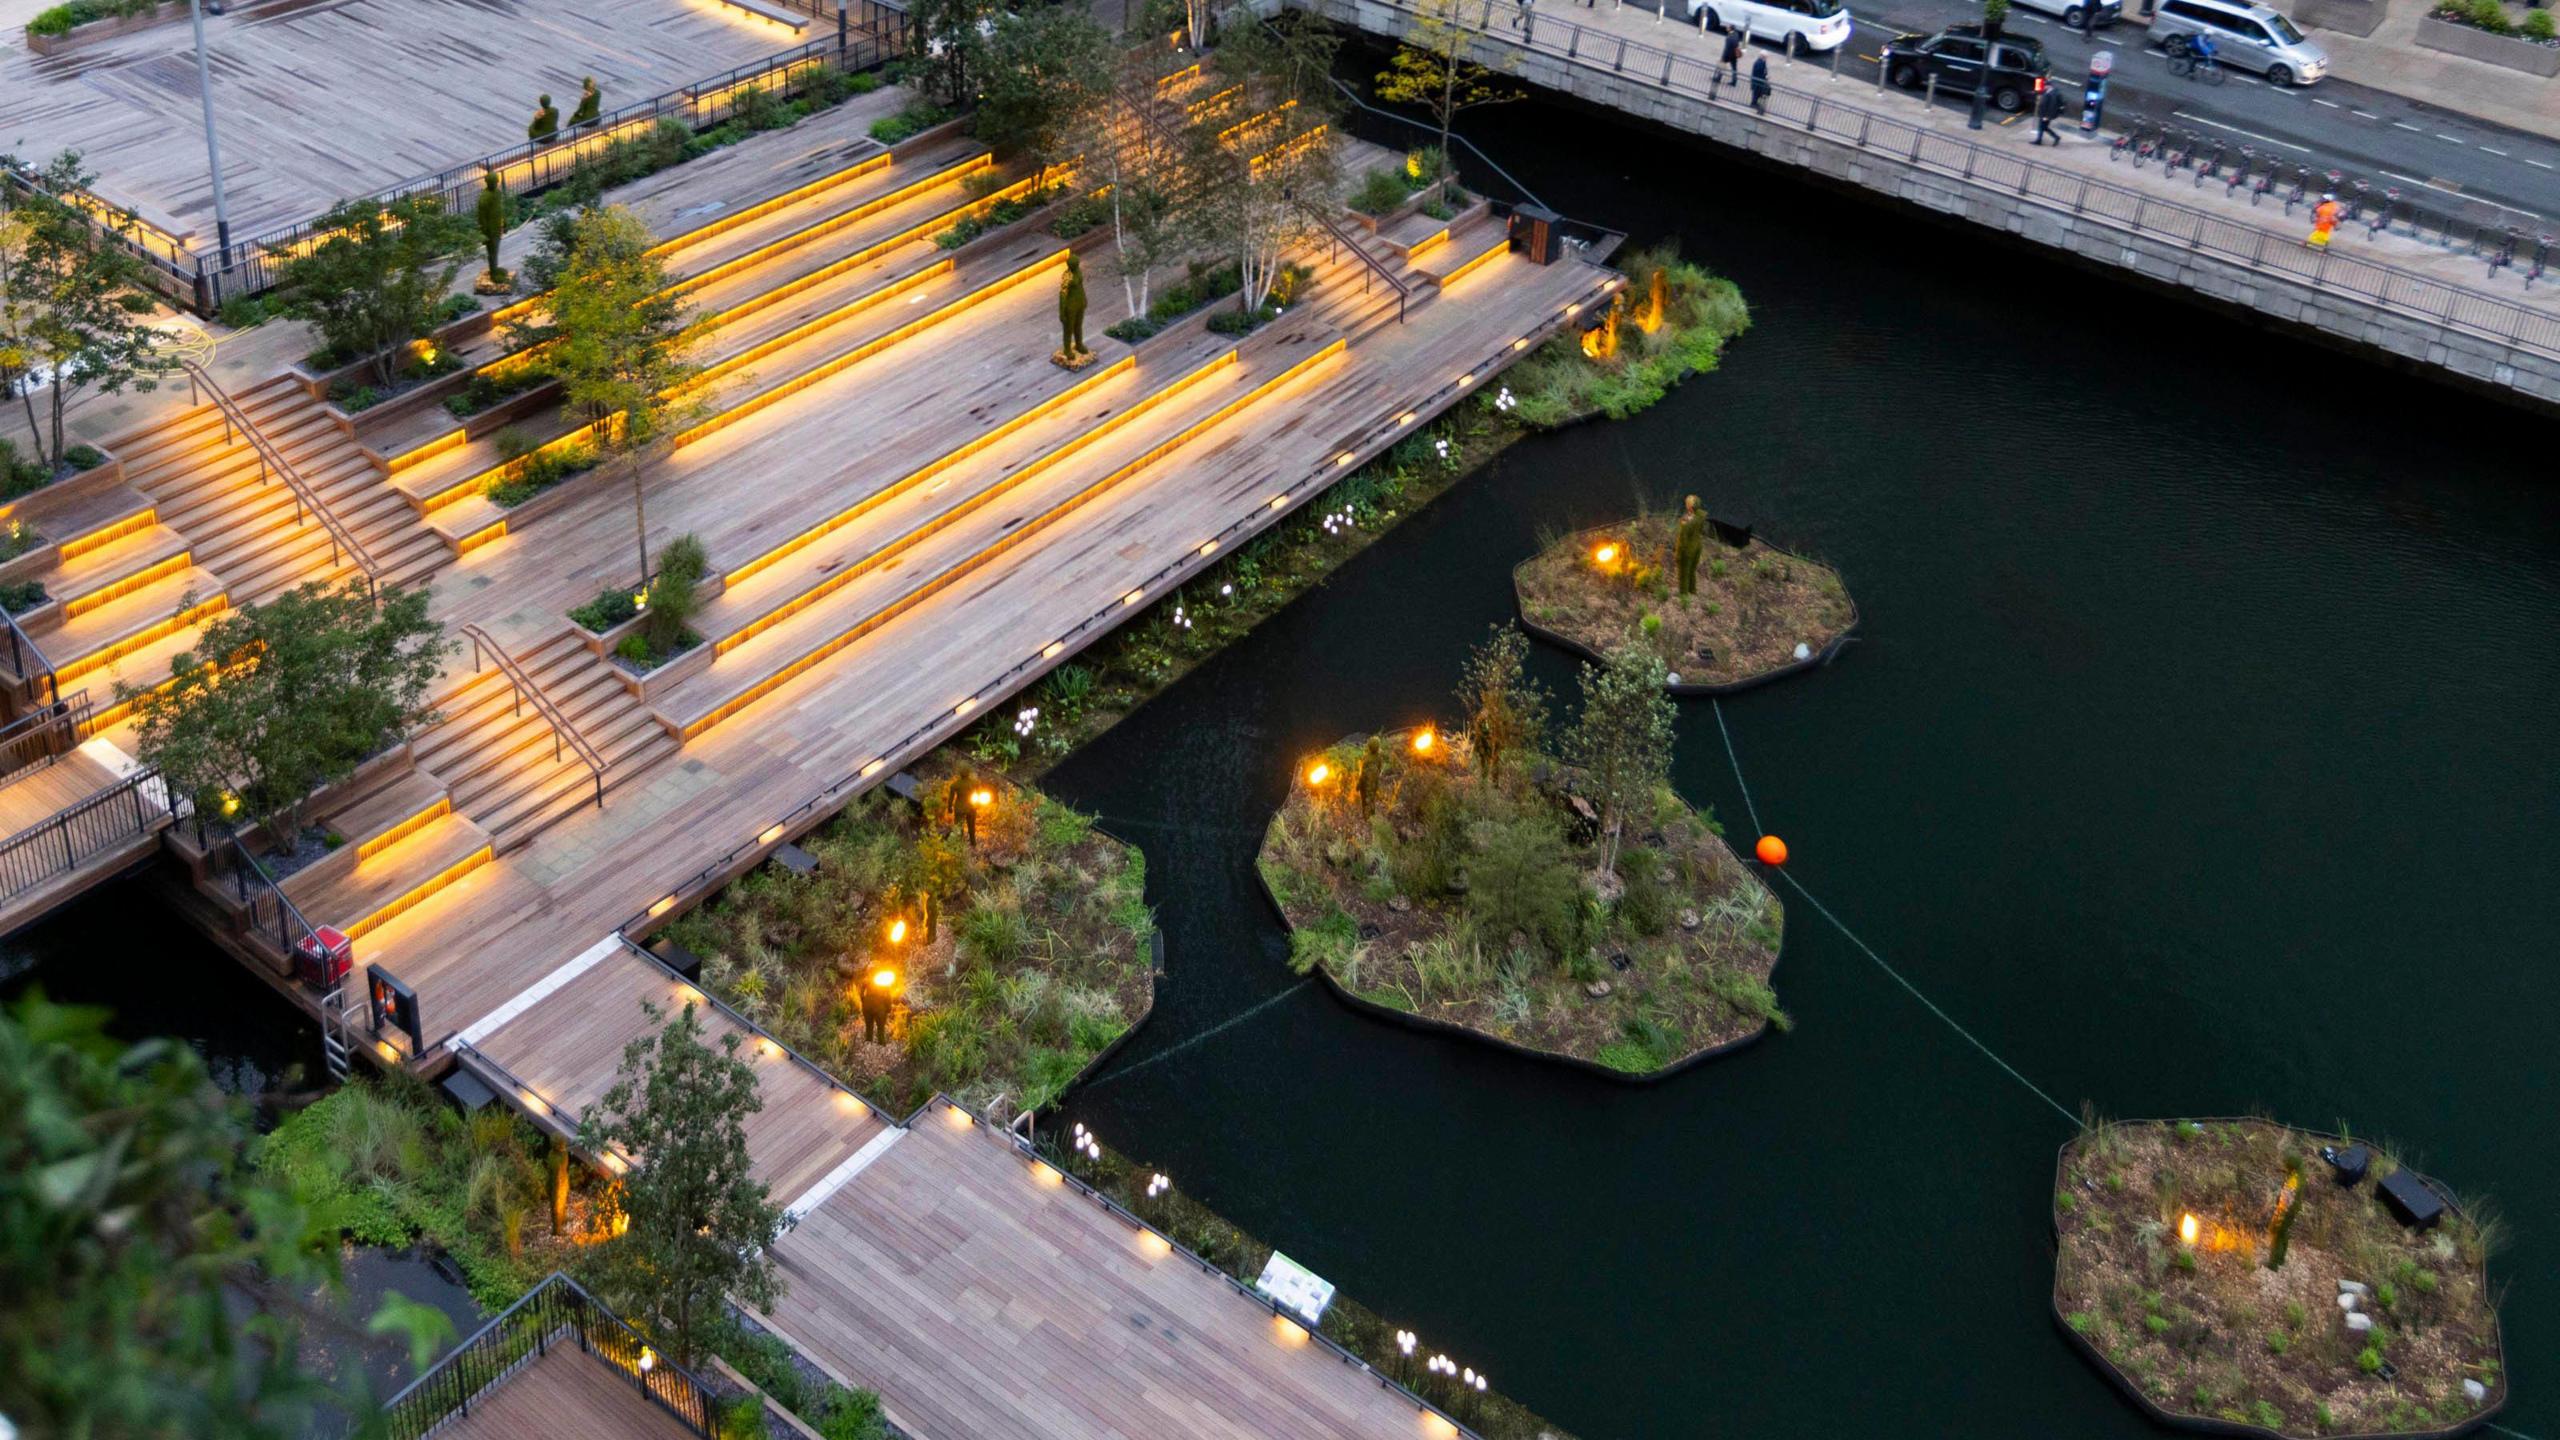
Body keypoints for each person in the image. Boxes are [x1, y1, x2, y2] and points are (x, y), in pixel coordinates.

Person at [1675, 495, 1707, 598]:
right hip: (1697, 546)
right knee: (1692, 570)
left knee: (1684, 572)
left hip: (1688, 550)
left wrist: (1678, 555)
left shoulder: (1687, 523)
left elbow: (1682, 541)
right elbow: (1701, 530)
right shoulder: (1701, 516)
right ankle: (1692, 589)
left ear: (1690, 506)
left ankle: (1684, 594)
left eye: (1687, 504)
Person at [2032, 80, 2062, 146]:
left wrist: (2047, 116)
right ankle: (2039, 140)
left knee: (2043, 127)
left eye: (2045, 86)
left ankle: (2056, 137)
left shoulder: (2052, 94)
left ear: (2049, 86)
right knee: (2043, 127)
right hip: (2043, 113)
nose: (2044, 87)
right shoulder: (2048, 91)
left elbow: (2052, 107)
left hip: (2045, 114)